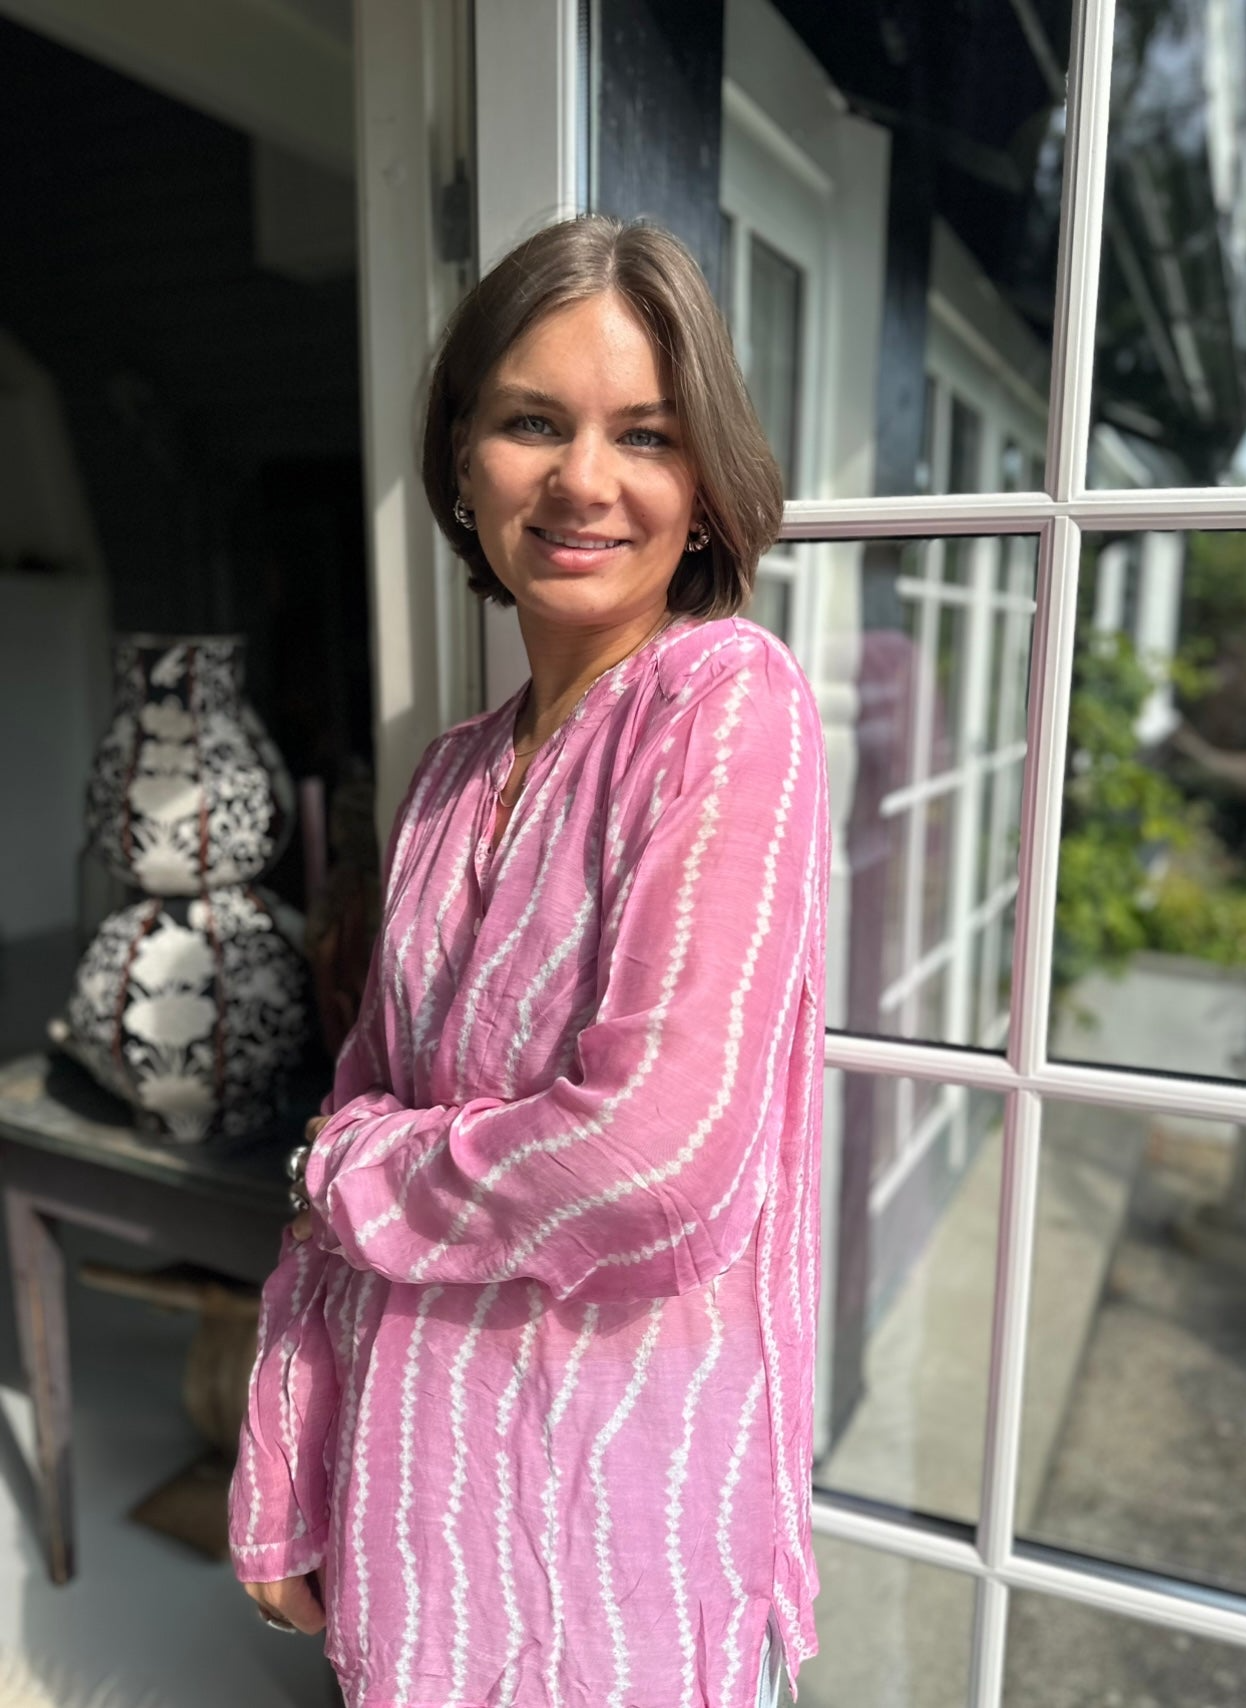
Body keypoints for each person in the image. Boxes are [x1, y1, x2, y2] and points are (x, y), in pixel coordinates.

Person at [229, 214, 831, 1708]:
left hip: (622, 1547)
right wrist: (285, 1459)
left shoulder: (725, 707)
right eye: (532, 423)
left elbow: (658, 1161)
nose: (583, 480)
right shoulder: (447, 775)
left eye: (646, 433)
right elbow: (346, 1126)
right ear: (461, 462)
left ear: (704, 484)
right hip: (414, 1519)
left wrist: (352, 1164)